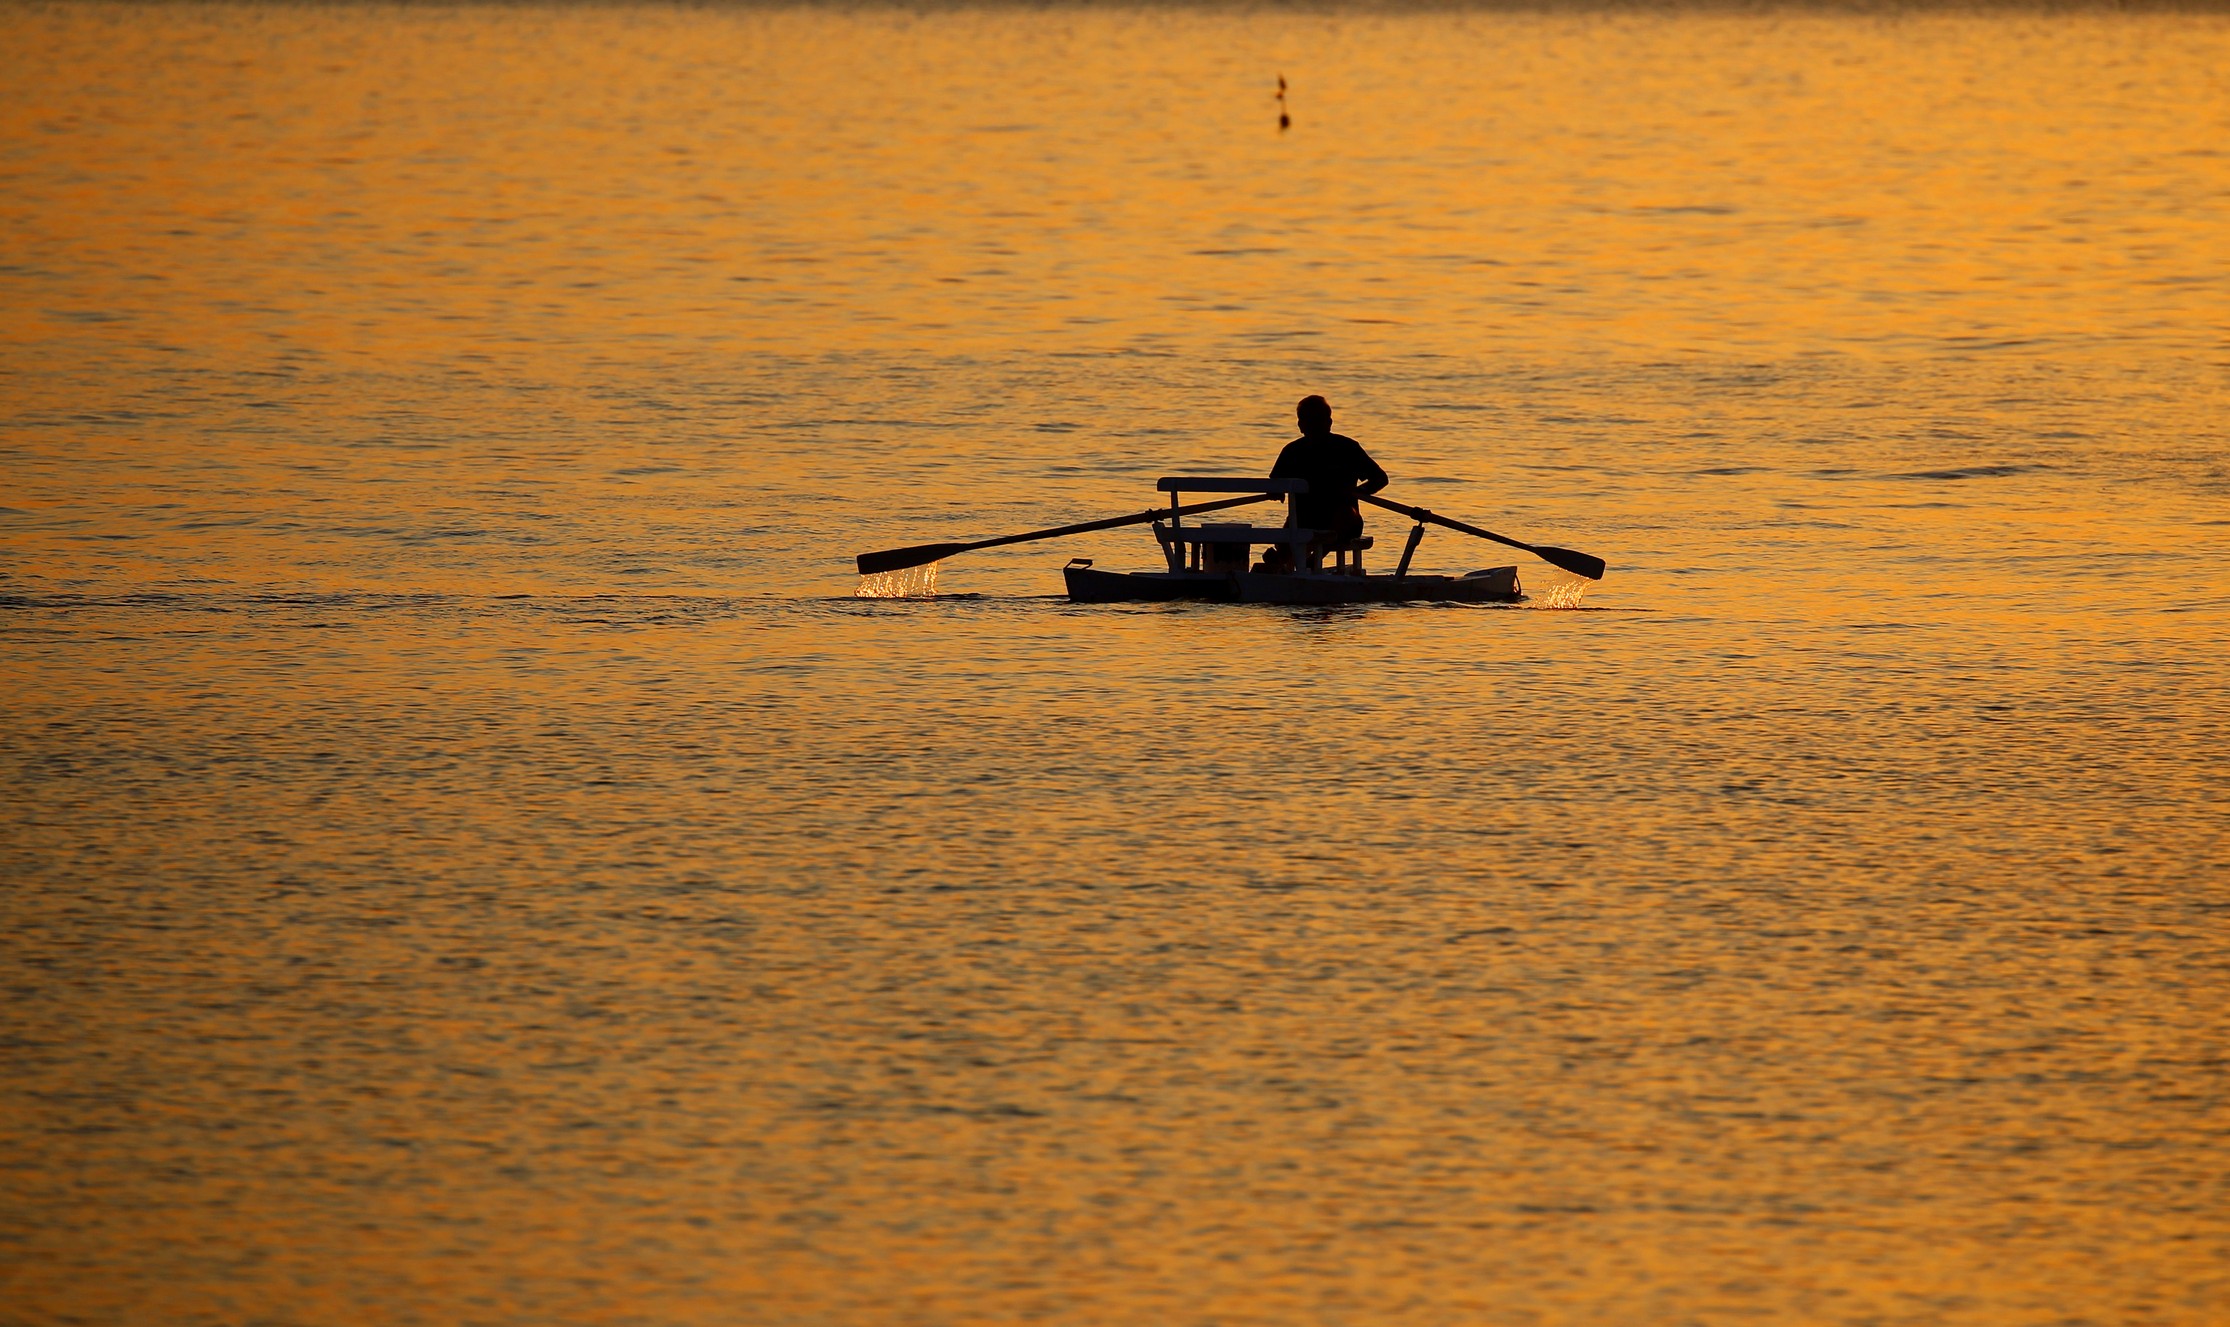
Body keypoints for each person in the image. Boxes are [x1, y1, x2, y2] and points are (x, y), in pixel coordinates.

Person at [1260, 395, 1387, 570]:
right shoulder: (1292, 451)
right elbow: (1275, 484)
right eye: (1308, 420)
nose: (1313, 426)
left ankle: (1313, 562)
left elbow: (1380, 478)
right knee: (1289, 535)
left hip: (1344, 521)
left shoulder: (1347, 448)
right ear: (1300, 425)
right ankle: (1284, 563)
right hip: (1305, 518)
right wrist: (1275, 492)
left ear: (1329, 422)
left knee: (1343, 515)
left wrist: (1360, 491)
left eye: (1317, 420)